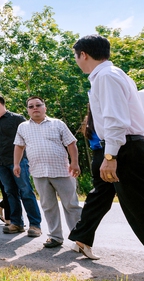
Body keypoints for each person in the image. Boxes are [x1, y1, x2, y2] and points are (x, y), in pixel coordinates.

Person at [72, 34, 144, 247]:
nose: (77, 61)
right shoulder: (116, 74)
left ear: (83, 55)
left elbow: (115, 119)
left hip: (125, 148)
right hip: (132, 145)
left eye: (76, 57)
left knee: (138, 210)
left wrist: (110, 156)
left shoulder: (105, 77)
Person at [14, 96, 82, 248]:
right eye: (31, 106)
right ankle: (55, 237)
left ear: (45, 107)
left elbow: (71, 143)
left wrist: (75, 163)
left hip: (62, 171)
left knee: (71, 205)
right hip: (39, 172)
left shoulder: (57, 124)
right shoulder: (23, 127)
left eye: (38, 105)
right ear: (27, 110)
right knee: (48, 206)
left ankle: (79, 238)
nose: (35, 108)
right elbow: (19, 146)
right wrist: (16, 164)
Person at [0, 94, 42, 237]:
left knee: (26, 191)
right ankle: (16, 223)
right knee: (10, 193)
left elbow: (28, 137)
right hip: (0, 163)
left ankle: (35, 225)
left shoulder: (17, 119)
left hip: (18, 162)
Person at [68, 108, 115, 259]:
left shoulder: (91, 119)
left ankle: (81, 238)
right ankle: (81, 239)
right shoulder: (102, 118)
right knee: (102, 200)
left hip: (100, 157)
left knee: (99, 200)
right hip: (109, 157)